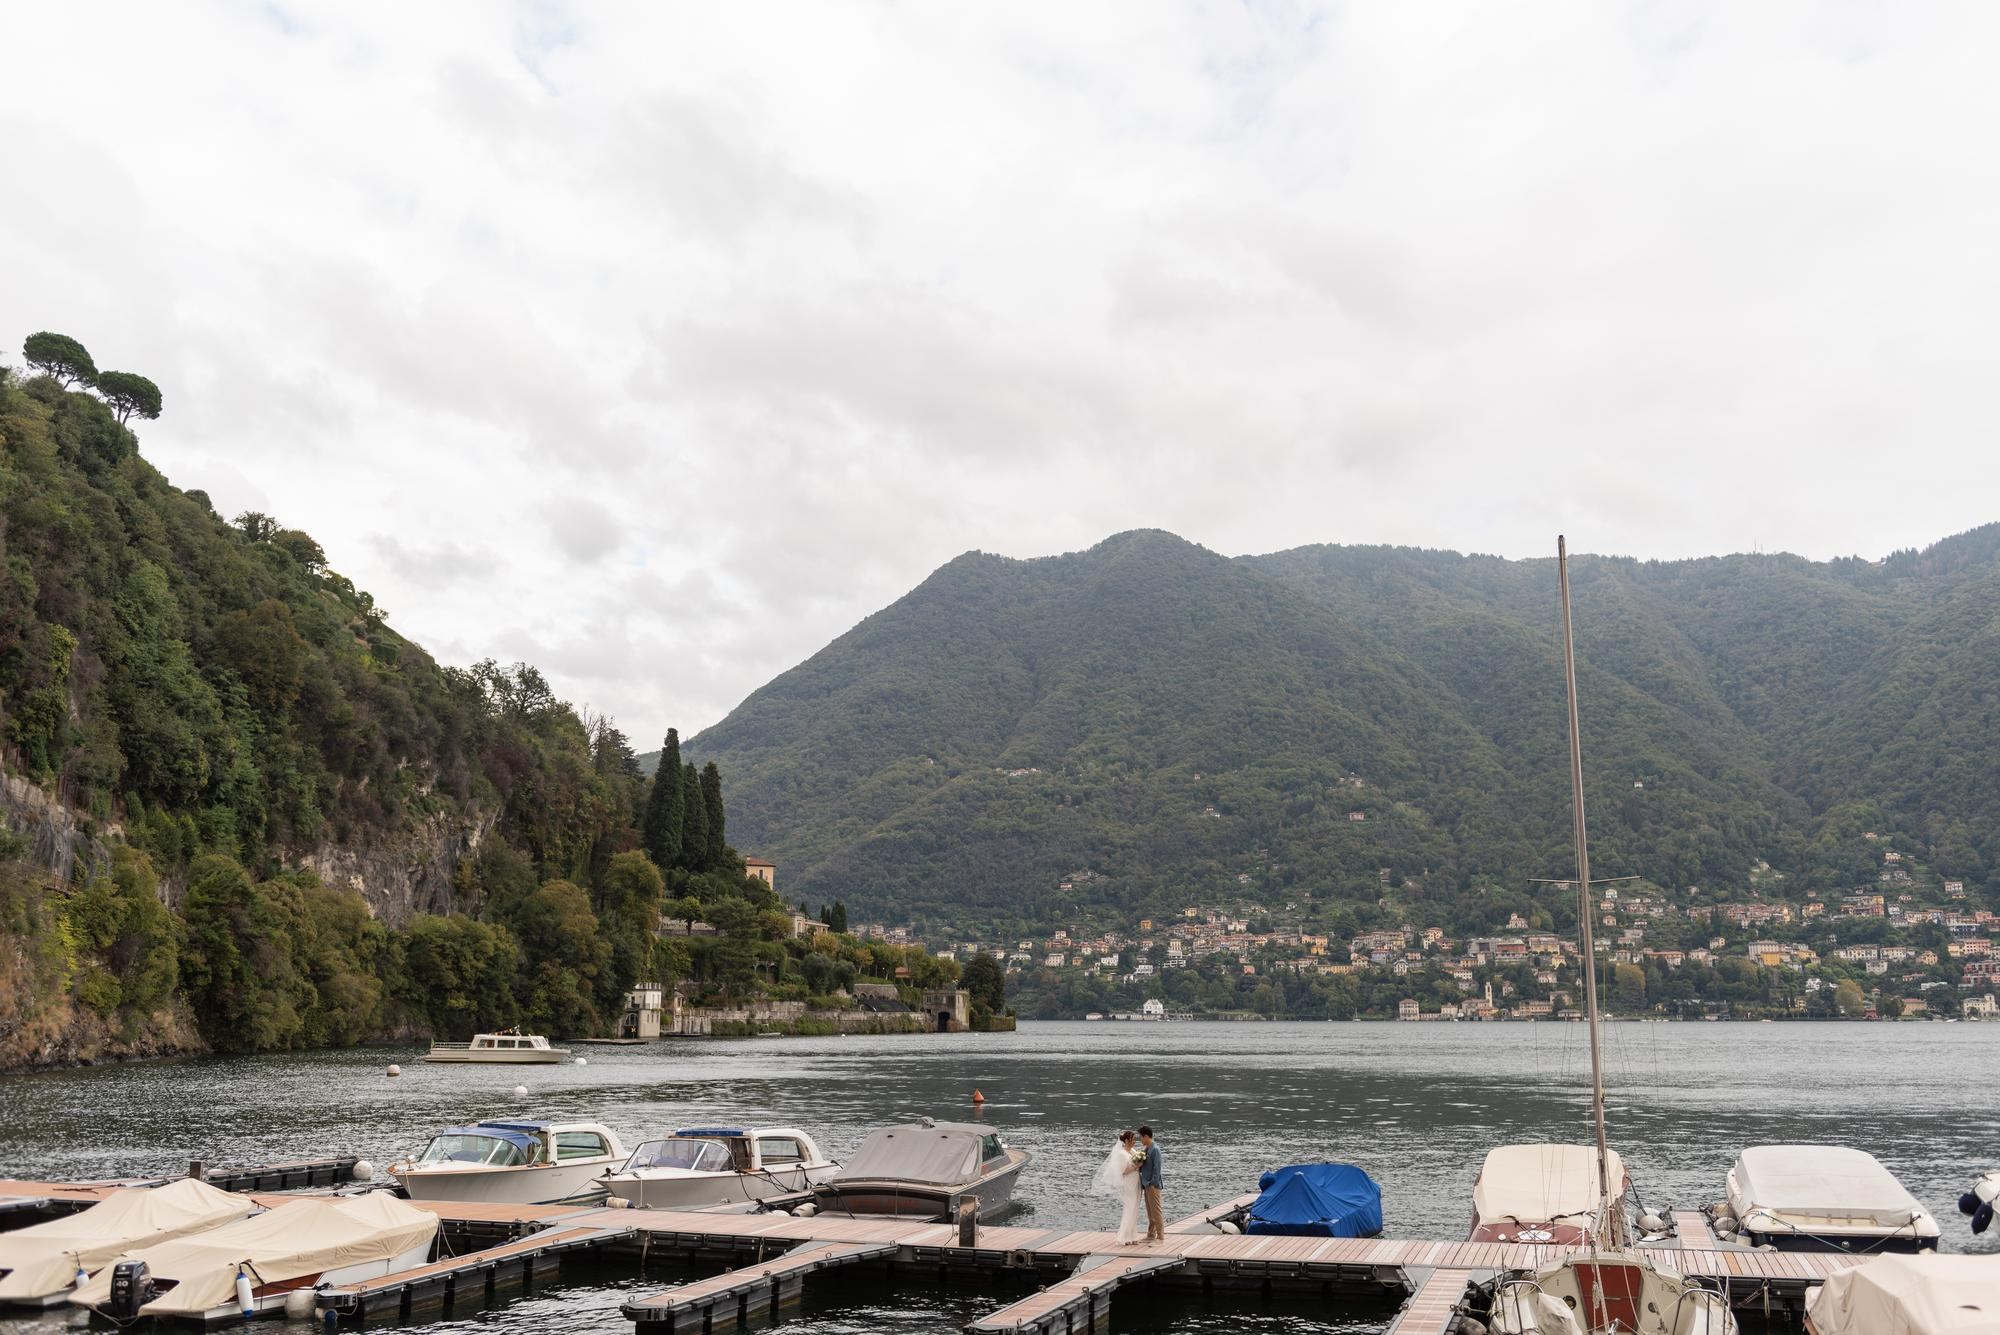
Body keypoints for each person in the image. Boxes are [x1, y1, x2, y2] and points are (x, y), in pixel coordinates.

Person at [1089, 1129, 1144, 1243]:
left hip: (1136, 1182)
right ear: (1127, 1140)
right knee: (1129, 1208)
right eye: (1133, 1139)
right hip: (1129, 1183)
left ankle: (1132, 1236)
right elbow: (1122, 1171)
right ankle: (1124, 1237)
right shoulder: (1121, 1154)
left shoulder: (1133, 1151)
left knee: (1135, 1209)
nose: (1135, 1141)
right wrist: (1136, 1166)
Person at [1138, 1125, 1164, 1241]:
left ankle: (1160, 1235)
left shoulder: (1155, 1150)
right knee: (1150, 1211)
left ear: (1146, 1136)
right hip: (1146, 1184)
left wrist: (1153, 1183)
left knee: (1156, 1212)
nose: (1140, 1140)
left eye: (1141, 1137)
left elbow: (1157, 1169)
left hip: (1153, 1185)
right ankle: (1151, 1234)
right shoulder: (1146, 1149)